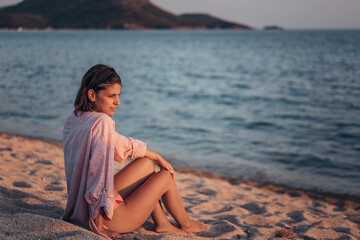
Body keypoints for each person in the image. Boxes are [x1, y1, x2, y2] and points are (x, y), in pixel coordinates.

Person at [61, 64, 206, 239]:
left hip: (80, 210)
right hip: (109, 218)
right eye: (111, 96)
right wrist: (99, 226)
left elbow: (119, 143)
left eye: (118, 95)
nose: (117, 102)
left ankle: (162, 223)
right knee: (165, 176)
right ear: (92, 94)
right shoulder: (102, 122)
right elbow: (96, 174)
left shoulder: (75, 117)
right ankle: (186, 224)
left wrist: (155, 156)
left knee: (146, 164)